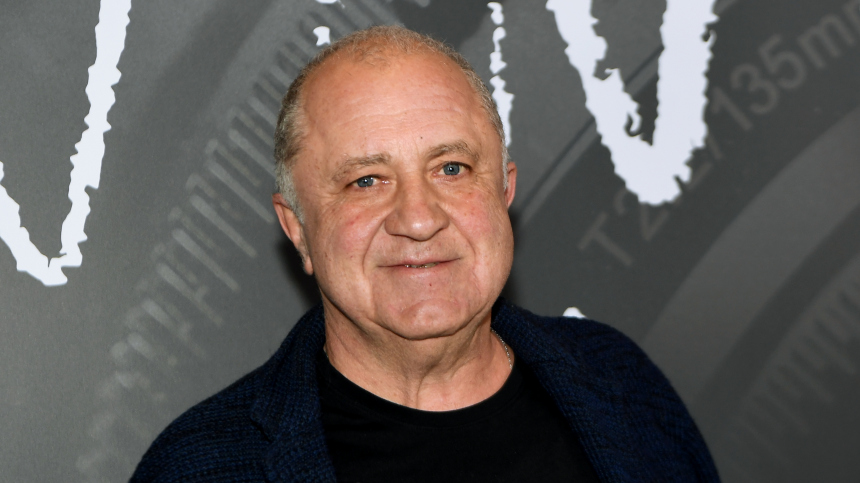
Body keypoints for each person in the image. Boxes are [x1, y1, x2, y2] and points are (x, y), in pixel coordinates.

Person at [131, 26, 718, 482]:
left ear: (504, 191)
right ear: (298, 229)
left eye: (451, 168)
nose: (418, 218)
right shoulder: (199, 468)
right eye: (366, 180)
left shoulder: (623, 386)